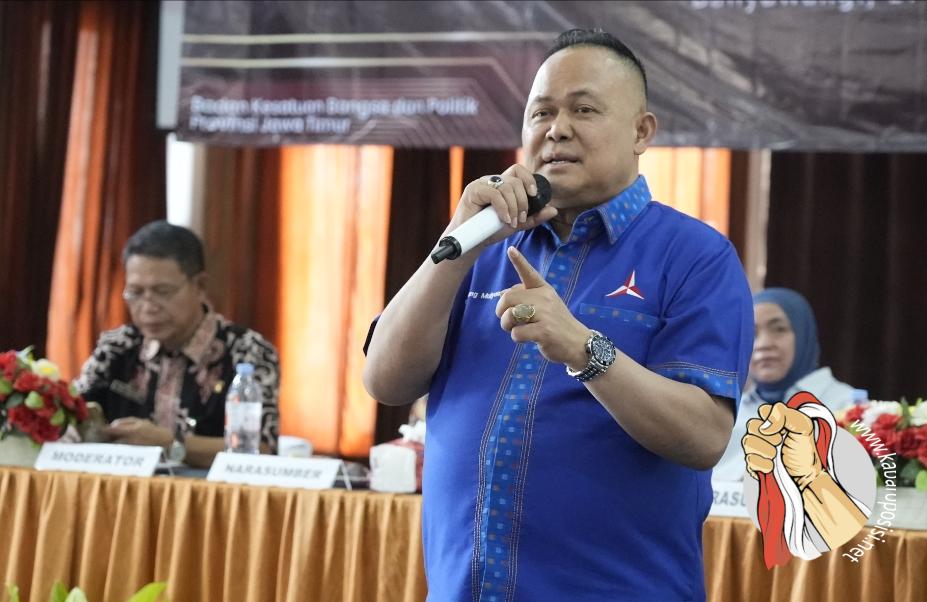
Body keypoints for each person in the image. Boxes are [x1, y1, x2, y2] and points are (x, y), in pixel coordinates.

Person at [363, 29, 753, 601]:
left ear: (642, 132)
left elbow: (704, 438)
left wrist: (584, 349)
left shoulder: (695, 255)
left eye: (584, 109)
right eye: (540, 112)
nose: (557, 128)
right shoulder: (480, 245)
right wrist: (459, 237)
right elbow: (385, 381)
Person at [76, 221, 280, 468]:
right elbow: (71, 413)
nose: (148, 307)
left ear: (200, 286)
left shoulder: (248, 351)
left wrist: (171, 443)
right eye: (135, 292)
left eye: (163, 291)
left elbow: (261, 448)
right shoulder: (117, 346)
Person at [713, 287, 856, 481]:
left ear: (804, 335)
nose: (764, 344)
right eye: (752, 334)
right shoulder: (729, 413)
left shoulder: (848, 407)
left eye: (779, 329)